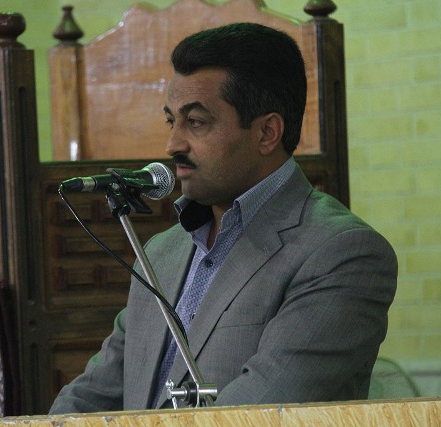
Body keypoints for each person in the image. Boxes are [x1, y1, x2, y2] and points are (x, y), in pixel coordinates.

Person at [49, 22, 397, 413]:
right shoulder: (161, 252)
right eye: (172, 120)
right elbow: (90, 398)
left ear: (267, 133)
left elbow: (255, 415)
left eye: (196, 122)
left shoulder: (341, 253)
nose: (172, 144)